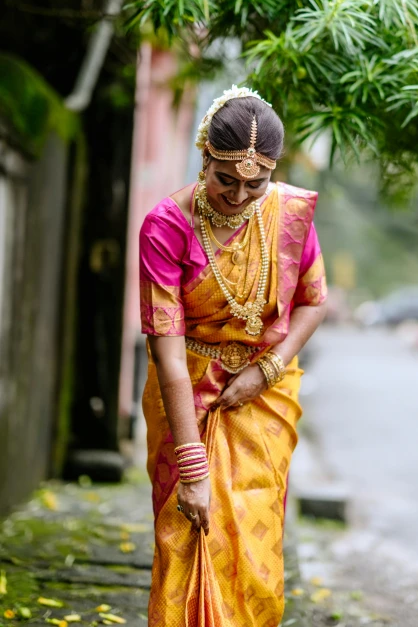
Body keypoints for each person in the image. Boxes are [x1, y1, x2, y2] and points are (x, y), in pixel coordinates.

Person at [139, 85, 328, 627]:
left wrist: (266, 370)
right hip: (186, 395)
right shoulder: (167, 226)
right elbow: (169, 358)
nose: (241, 196)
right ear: (205, 158)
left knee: (254, 541)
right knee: (185, 536)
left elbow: (314, 301)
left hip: (261, 400)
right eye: (227, 180)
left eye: (256, 183)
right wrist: (192, 468)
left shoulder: (289, 215)